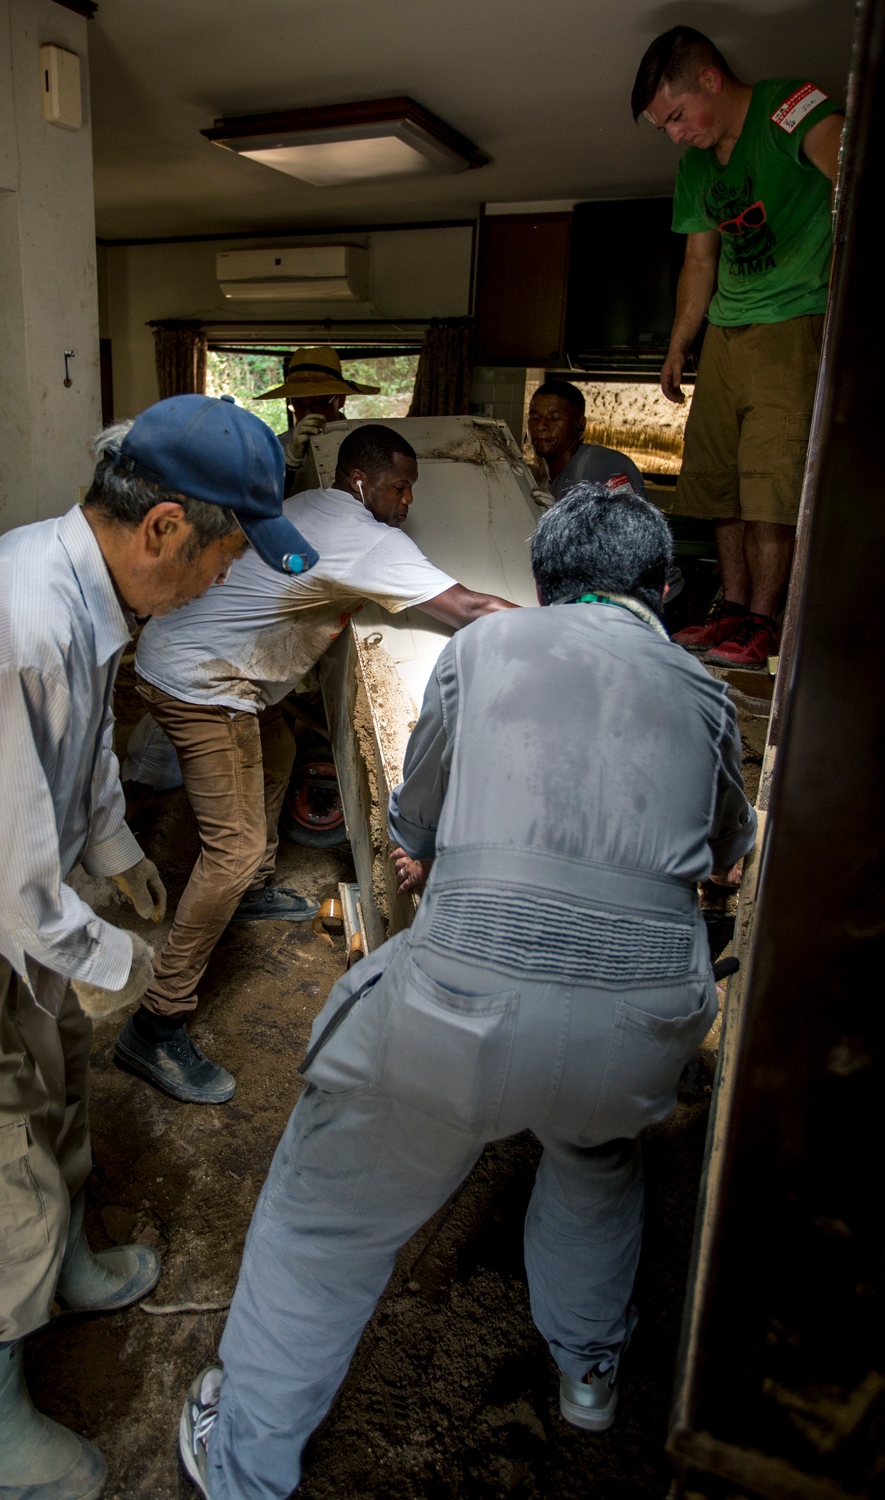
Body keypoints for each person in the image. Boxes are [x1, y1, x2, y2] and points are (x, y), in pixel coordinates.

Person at [176, 481, 757, 1499]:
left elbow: (421, 810)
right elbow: (724, 851)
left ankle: (244, 1463)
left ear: (539, 585)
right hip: (644, 1026)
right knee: (595, 1150)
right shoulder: (703, 686)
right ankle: (588, 1376)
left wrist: (423, 847)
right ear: (661, 590)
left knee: (327, 1218)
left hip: (461, 1017)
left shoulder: (484, 648)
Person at [0, 393, 314, 1500]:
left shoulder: (84, 593)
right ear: (164, 527)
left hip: (16, 914)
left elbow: (72, 772)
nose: (227, 581)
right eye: (227, 556)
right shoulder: (17, 626)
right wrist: (116, 960)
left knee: (58, 1091)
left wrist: (118, 850)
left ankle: (64, 1271)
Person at [117, 423, 517, 1106]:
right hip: (201, 683)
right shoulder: (370, 538)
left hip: (202, 660)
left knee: (277, 754)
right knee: (232, 849)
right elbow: (471, 607)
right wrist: (574, 633)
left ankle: (252, 893)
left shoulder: (313, 507)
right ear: (361, 482)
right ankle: (157, 1020)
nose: (408, 499)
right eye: (398, 486)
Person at [632, 26, 843, 668]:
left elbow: (853, 179)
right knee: (719, 482)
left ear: (710, 81)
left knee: (772, 484)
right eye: (662, 125)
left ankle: (765, 621)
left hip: (796, 320)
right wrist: (678, 347)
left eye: (675, 116)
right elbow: (699, 260)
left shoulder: (794, 106)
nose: (674, 134)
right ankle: (732, 609)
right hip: (725, 331)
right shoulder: (696, 164)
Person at [255, 345, 380, 493]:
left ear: (340, 400)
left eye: (318, 403)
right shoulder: (276, 448)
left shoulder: (365, 444)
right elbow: (264, 497)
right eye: (299, 404)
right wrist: (290, 461)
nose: (308, 413)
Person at [527, 379, 647, 504]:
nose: (540, 426)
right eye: (534, 417)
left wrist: (562, 519)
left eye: (555, 418)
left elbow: (628, 521)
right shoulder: (548, 483)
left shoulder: (606, 465)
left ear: (580, 424)